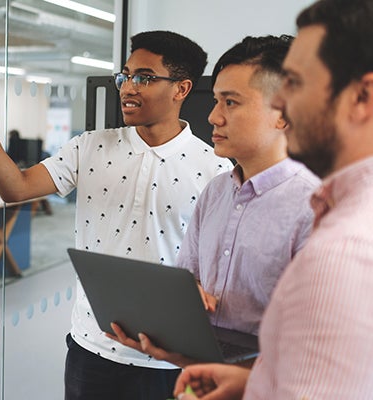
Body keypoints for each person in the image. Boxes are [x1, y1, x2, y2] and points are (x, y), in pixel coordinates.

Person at [0, 30, 231, 399]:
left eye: (143, 78)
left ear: (181, 89)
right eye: (125, 76)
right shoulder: (89, 146)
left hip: (169, 361)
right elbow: (14, 188)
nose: (128, 87)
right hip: (92, 348)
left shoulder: (216, 169)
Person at [175, 0, 373, 398]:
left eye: (297, 83)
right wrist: (252, 384)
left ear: (361, 96)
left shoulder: (344, 248)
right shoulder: (332, 210)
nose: (282, 102)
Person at [106, 36, 320, 367]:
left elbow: (323, 347)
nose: (213, 117)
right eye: (216, 101)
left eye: (230, 103)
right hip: (200, 376)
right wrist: (186, 300)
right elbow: (188, 279)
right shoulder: (217, 191)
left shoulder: (317, 210)